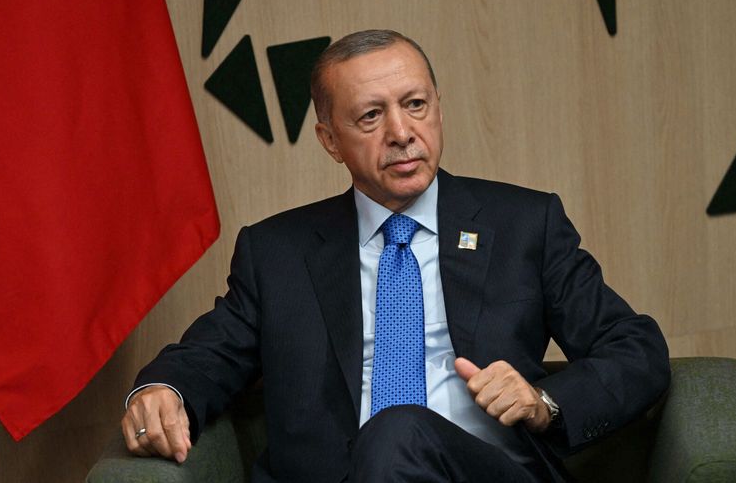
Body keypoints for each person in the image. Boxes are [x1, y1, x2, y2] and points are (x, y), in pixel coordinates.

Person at [120, 29, 669, 482]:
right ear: (330, 140)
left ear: (438, 108)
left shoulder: (524, 224)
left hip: (493, 472)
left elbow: (636, 349)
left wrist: (542, 402)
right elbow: (212, 352)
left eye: (415, 105)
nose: (402, 133)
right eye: (370, 117)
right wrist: (160, 388)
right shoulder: (277, 253)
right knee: (391, 436)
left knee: (399, 429)